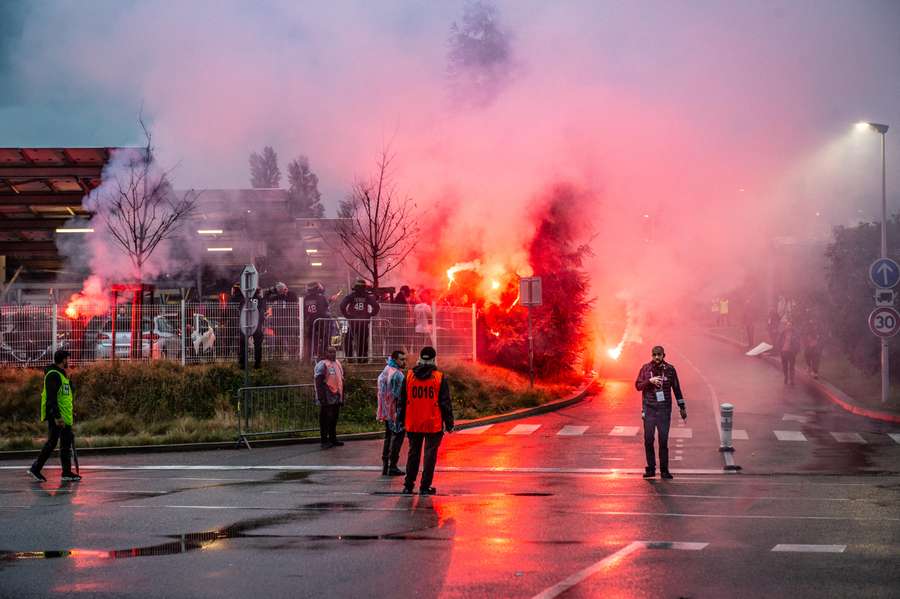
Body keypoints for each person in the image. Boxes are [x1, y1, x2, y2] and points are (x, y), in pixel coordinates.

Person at [397, 346, 454, 495]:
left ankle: (408, 485)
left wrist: (400, 420)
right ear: (434, 359)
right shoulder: (439, 377)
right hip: (432, 423)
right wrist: (449, 424)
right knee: (429, 455)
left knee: (413, 453)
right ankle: (424, 486)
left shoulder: (409, 376)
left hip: (413, 422)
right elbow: (445, 403)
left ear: (420, 358)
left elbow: (402, 401)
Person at [634, 345, 686, 480]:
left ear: (664, 355)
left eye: (659, 355)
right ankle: (650, 469)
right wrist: (649, 381)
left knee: (663, 441)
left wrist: (682, 407)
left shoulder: (670, 370)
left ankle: (664, 470)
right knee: (648, 440)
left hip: (664, 410)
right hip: (649, 409)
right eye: (654, 355)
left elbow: (677, 389)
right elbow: (638, 386)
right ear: (651, 355)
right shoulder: (645, 368)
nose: (657, 357)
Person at [29, 350, 81, 482]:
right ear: (63, 360)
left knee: (65, 444)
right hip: (57, 417)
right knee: (52, 443)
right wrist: (57, 416)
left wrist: (71, 411)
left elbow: (66, 397)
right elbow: (51, 398)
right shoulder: (53, 375)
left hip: (65, 417)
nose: (69, 362)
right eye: (67, 359)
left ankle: (66, 472)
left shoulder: (63, 376)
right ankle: (35, 469)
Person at [377, 350, 407, 476]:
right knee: (397, 437)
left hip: (386, 411)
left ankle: (385, 464)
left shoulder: (386, 370)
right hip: (396, 412)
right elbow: (399, 396)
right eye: (401, 359)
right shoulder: (397, 375)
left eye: (404, 359)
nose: (404, 362)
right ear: (395, 360)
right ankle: (392, 465)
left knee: (388, 437)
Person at [339, 278, 380, 362]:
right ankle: (362, 359)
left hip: (353, 322)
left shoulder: (351, 296)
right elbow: (376, 306)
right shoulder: (367, 296)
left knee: (348, 339)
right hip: (364, 322)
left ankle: (349, 358)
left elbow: (342, 305)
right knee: (363, 340)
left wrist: (347, 315)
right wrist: (370, 314)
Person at [314, 346, 345, 449]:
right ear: (326, 352)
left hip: (336, 396)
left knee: (334, 419)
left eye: (334, 352)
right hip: (326, 397)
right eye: (330, 352)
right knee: (325, 419)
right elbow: (318, 382)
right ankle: (324, 441)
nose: (333, 354)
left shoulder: (338, 363)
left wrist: (341, 396)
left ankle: (333, 438)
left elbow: (340, 379)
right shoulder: (322, 364)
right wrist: (321, 397)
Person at [265, 282, 300, 357]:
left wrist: (284, 293)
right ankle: (279, 356)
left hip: (289, 322)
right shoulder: (277, 296)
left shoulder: (291, 295)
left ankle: (292, 356)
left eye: (282, 290)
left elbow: (294, 301)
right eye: (279, 291)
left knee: (290, 341)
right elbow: (266, 298)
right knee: (279, 341)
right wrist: (271, 290)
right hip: (277, 323)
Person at [238, 285, 267, 369]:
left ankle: (243, 364)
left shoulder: (245, 299)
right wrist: (260, 323)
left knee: (243, 345)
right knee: (258, 345)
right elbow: (262, 312)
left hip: (246, 325)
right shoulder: (260, 300)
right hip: (257, 325)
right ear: (258, 291)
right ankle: (257, 364)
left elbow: (240, 311)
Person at [303, 281, 330, 361]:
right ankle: (322, 356)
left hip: (310, 321)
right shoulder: (321, 297)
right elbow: (324, 308)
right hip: (320, 321)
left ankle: (309, 356)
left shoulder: (306, 298)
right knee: (323, 338)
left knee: (310, 339)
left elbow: (304, 311)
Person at [777, 320, 802, 385]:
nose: (789, 326)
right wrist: (780, 350)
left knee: (791, 367)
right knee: (784, 366)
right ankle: (786, 377)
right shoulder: (783, 333)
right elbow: (779, 342)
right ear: (785, 326)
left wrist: (795, 351)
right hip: (784, 352)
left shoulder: (795, 333)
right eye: (787, 325)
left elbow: (798, 343)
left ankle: (792, 380)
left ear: (792, 326)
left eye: (790, 325)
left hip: (791, 352)